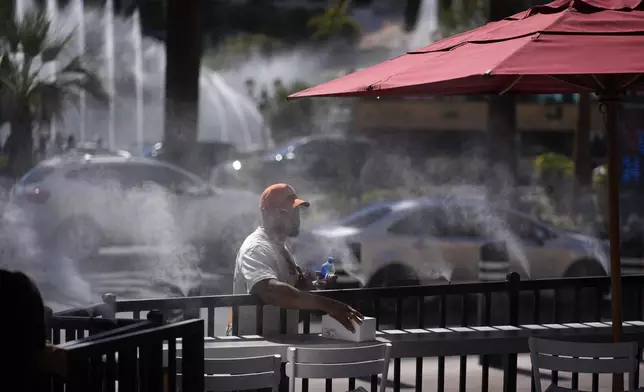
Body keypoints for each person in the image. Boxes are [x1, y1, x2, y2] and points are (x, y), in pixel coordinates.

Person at [229, 183, 363, 336]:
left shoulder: (282, 247)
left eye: (297, 211)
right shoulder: (256, 248)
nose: (295, 218)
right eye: (287, 212)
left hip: (277, 343)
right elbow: (270, 291)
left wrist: (310, 288)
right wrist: (328, 305)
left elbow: (289, 300)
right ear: (267, 213)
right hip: (252, 349)